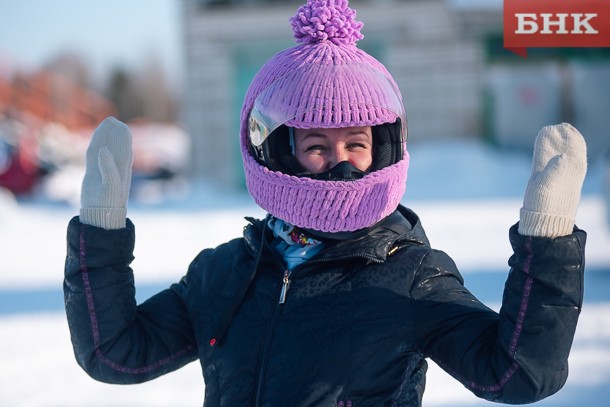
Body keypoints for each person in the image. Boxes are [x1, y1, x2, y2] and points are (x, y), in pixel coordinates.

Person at [64, 1, 588, 406]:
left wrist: (547, 239)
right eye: (316, 146)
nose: (339, 165)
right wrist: (101, 228)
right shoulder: (224, 273)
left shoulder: (409, 276)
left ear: (382, 149)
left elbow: (517, 374)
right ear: (277, 152)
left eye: (356, 146)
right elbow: (117, 355)